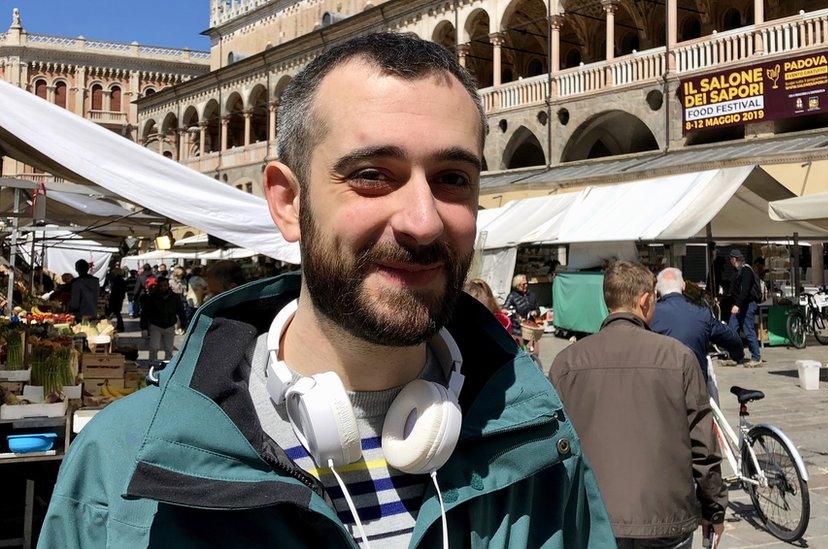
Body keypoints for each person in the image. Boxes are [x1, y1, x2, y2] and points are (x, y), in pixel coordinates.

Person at [41, 33, 613, 548]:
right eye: (371, 175)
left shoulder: (542, 448)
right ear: (288, 202)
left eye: (453, 179)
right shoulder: (122, 468)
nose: (422, 220)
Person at [551, 261, 727, 549]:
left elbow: (554, 447)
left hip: (593, 518)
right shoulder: (679, 358)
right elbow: (703, 448)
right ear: (645, 300)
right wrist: (714, 509)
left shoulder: (566, 363)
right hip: (666, 518)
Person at [650, 267, 743, 402]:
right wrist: (738, 355)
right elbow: (732, 339)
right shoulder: (702, 313)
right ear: (683, 286)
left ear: (657, 290)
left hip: (661, 392)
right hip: (695, 393)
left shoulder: (650, 315)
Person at [139, 276, 186, 362]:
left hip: (170, 325)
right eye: (160, 286)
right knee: (154, 347)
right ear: (157, 286)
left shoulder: (175, 297)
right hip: (155, 325)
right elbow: (144, 313)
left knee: (169, 348)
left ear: (168, 285)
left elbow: (181, 311)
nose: (163, 288)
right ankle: (152, 364)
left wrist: (183, 324)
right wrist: (144, 327)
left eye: (165, 285)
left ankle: (167, 366)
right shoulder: (151, 297)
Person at [728, 249, 762, 366]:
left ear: (734, 259)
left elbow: (745, 291)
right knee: (732, 329)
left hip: (747, 305)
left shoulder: (746, 270)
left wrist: (737, 304)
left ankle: (756, 357)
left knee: (748, 331)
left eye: (731, 259)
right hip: (739, 305)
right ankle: (736, 356)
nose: (730, 261)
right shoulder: (736, 271)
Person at [504, 273, 541, 356]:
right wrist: (510, 311)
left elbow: (538, 311)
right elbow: (504, 309)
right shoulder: (512, 296)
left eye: (526, 283)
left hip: (531, 329)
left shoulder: (532, 295)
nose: (526, 285)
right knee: (519, 354)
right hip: (517, 330)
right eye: (523, 284)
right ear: (517, 285)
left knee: (534, 353)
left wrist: (535, 312)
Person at [105, 267, 127, 333]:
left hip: (115, 298)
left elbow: (114, 290)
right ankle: (120, 326)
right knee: (117, 313)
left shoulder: (116, 280)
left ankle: (119, 326)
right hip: (119, 298)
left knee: (115, 313)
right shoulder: (122, 280)